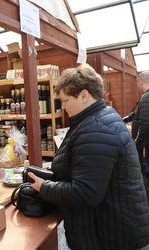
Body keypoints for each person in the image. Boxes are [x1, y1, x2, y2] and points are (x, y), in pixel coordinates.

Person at [28, 64, 149, 250]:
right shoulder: (99, 118)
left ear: (84, 96)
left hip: (114, 237)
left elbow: (85, 193)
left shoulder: (97, 128)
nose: (63, 106)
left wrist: (44, 187)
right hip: (117, 228)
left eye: (66, 100)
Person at [132, 71, 149, 167]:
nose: (137, 87)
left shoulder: (146, 97)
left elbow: (146, 126)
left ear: (140, 82)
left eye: (137, 83)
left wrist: (137, 144)